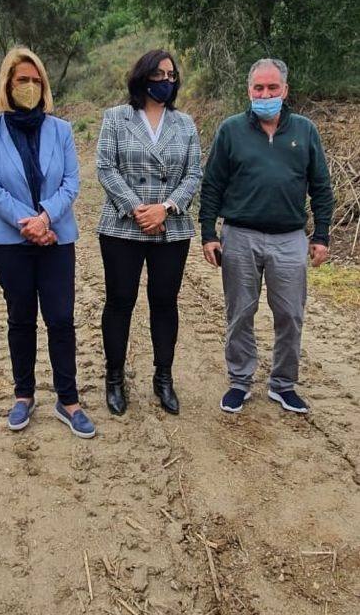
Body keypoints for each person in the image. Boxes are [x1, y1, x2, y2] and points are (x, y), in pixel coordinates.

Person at [199, 58, 334, 415]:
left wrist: (321, 235)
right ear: (249, 90)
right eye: (258, 88)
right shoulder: (231, 130)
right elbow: (212, 184)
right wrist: (208, 232)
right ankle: (239, 381)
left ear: (285, 90)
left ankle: (283, 384)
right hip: (239, 235)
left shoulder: (305, 130)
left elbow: (321, 187)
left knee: (290, 314)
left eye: (272, 87)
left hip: (289, 238)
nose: (265, 94)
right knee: (240, 313)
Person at [0, 46, 95, 438]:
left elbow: (71, 182)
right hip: (9, 241)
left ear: (44, 86)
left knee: (60, 318)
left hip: (56, 237)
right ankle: (23, 395)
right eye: (21, 80)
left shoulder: (61, 130)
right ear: (7, 85)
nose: (29, 86)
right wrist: (27, 224)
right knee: (20, 317)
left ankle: (68, 400)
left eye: (35, 80)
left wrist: (45, 218)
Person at [96, 50, 202, 416]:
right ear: (143, 76)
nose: (166, 81)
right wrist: (137, 207)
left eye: (171, 75)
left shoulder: (184, 123)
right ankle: (114, 378)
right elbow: (105, 167)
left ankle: (163, 378)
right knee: (119, 302)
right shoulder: (116, 118)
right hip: (123, 225)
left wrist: (166, 208)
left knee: (164, 302)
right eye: (159, 74)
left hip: (170, 227)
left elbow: (193, 173)